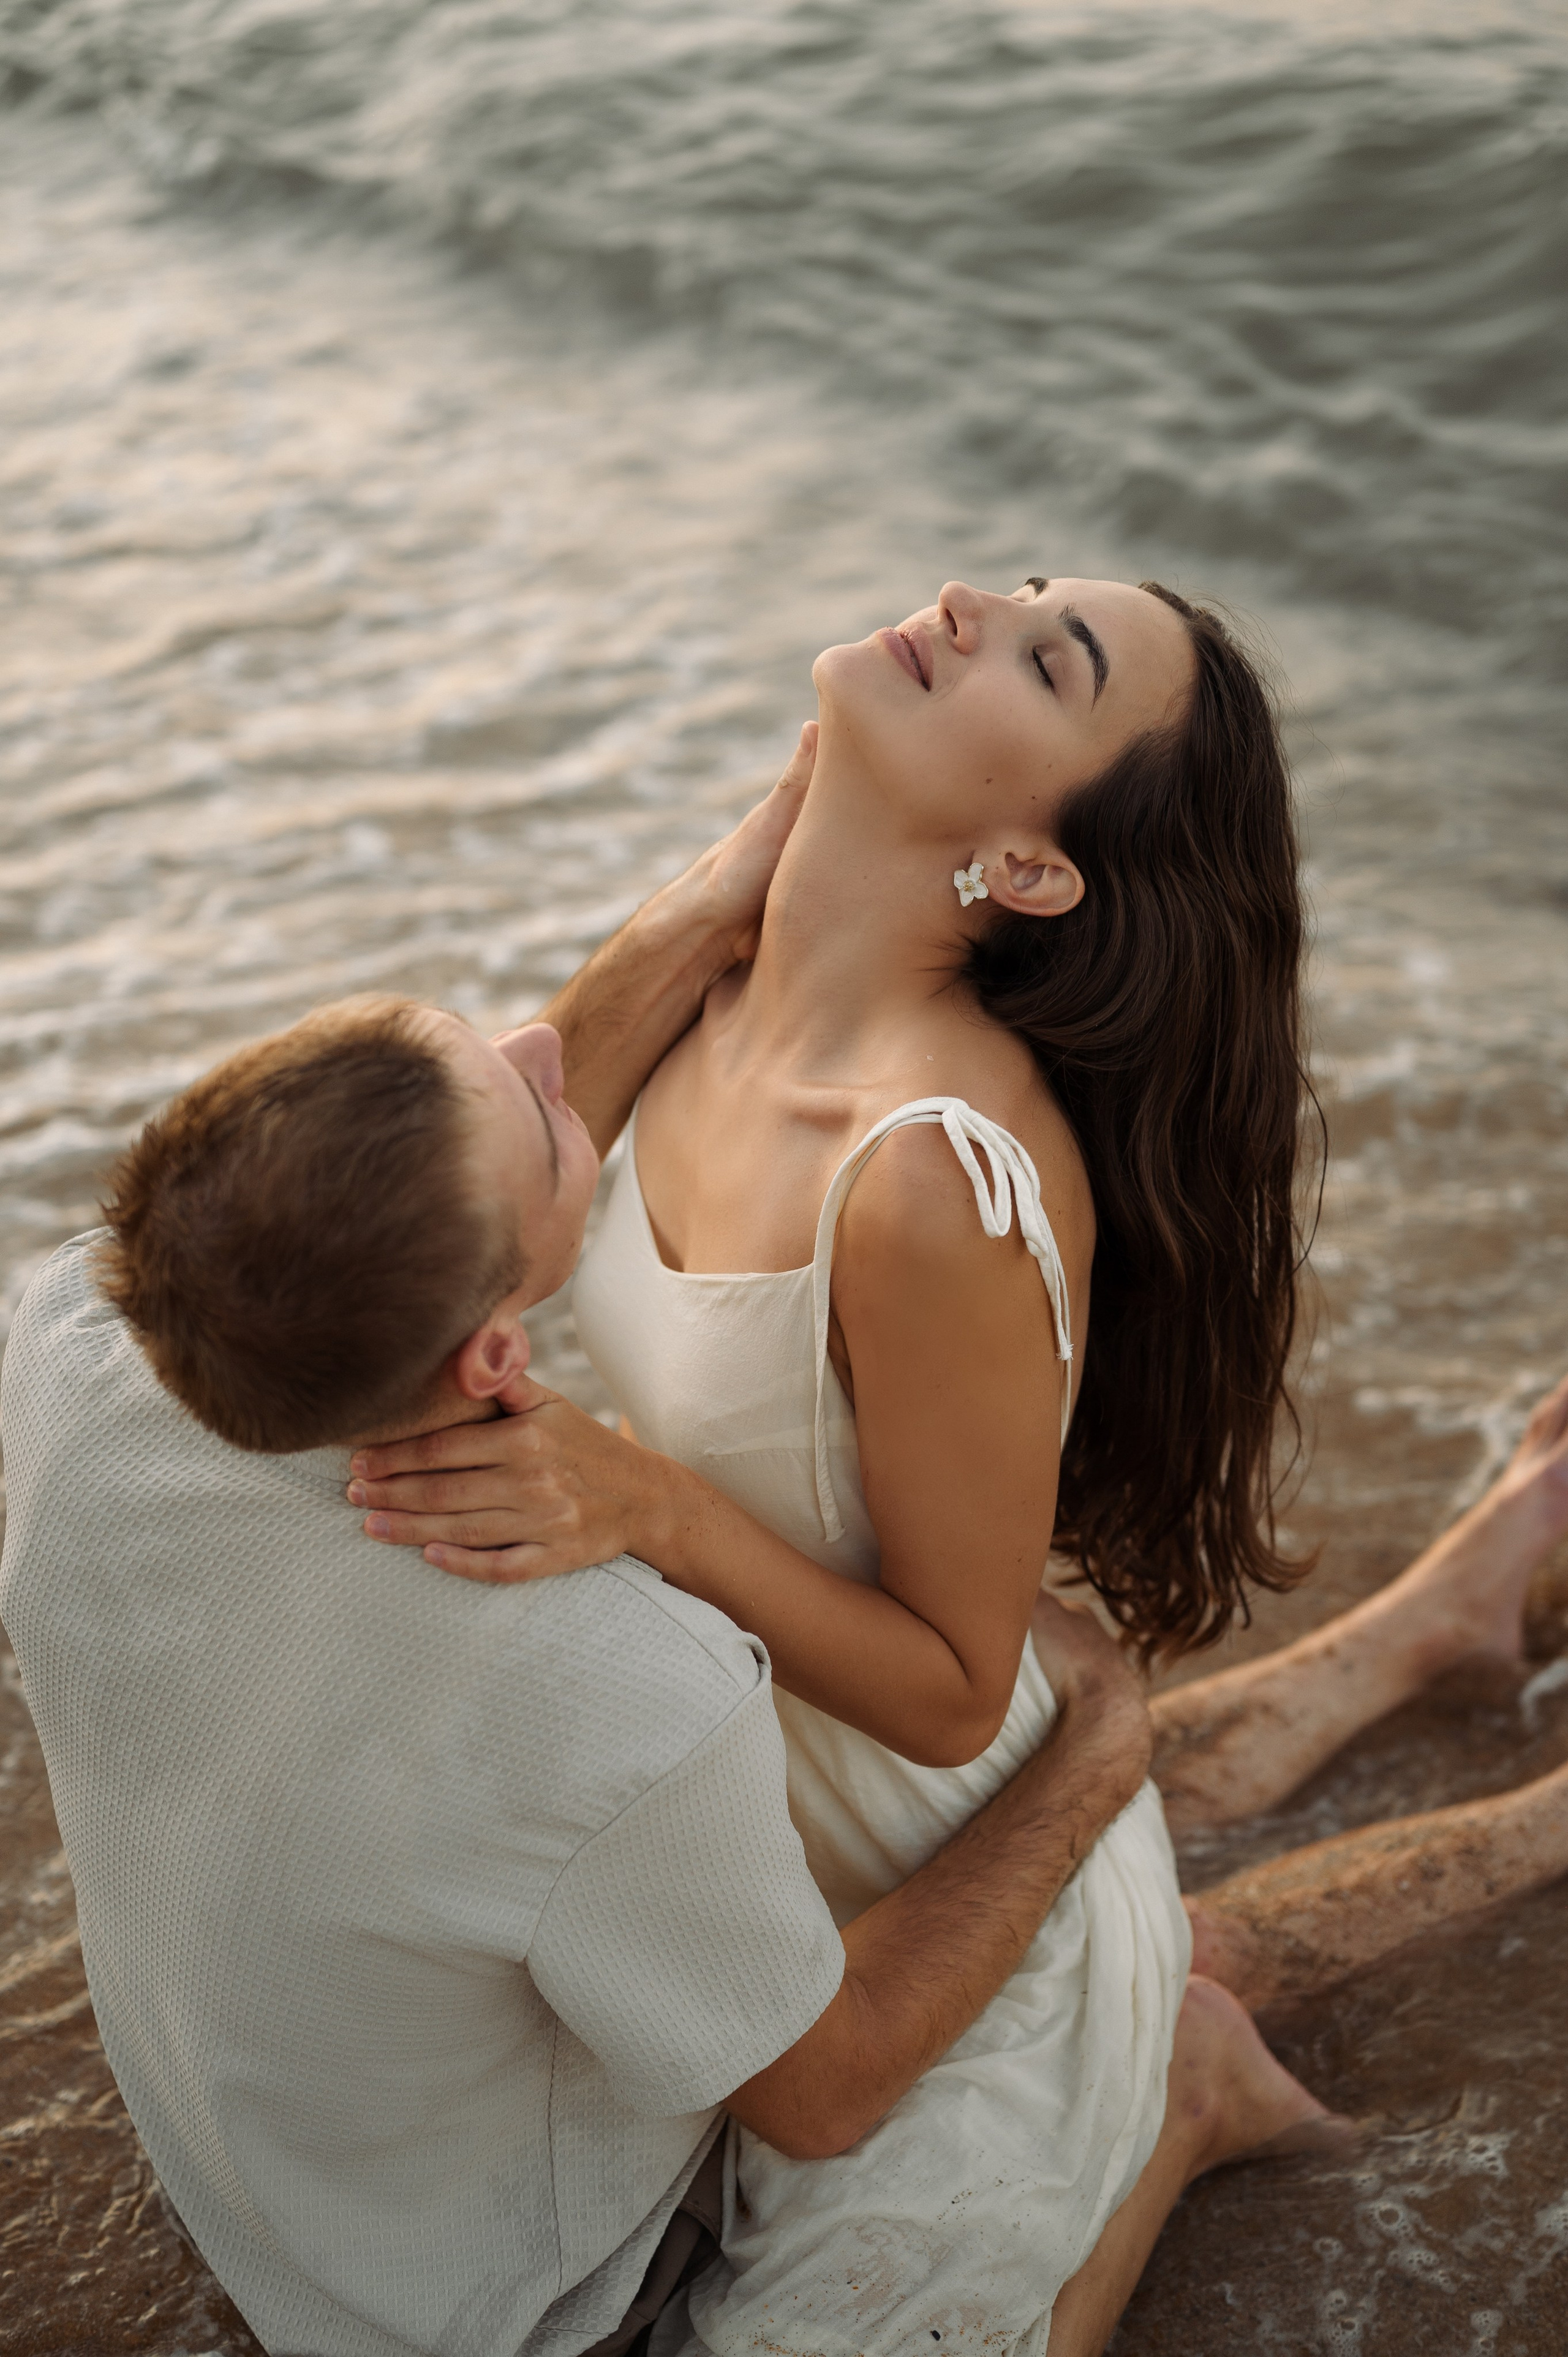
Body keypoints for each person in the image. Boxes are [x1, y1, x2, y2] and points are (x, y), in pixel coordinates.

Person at [347, 577, 1568, 2353]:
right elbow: (494, 1238)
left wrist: (649, 1506)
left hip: (935, 1826)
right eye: (1022, 590)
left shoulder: (931, 1174)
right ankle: (1439, 1619)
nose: (977, 599)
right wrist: (729, 878)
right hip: (738, 1776)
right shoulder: (714, 982)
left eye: (1049, 657)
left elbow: (948, 1693)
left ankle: (1187, 2079)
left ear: (1036, 868)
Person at [0, 728, 1319, 2357]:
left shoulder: (66, 1342)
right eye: (547, 1120)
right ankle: (1176, 2115)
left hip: (255, 2165)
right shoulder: (616, 1682)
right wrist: (1103, 1738)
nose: (557, 1060)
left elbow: (448, 1181)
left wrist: (715, 901)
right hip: (497, 2303)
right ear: (494, 1358)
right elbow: (829, 2090)